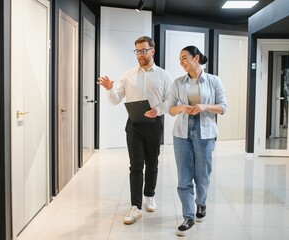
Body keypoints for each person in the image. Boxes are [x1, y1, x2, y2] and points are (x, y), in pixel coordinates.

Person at [97, 36, 172, 225]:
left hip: (154, 124)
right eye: (137, 51)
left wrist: (158, 110)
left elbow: (171, 101)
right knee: (136, 165)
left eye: (144, 50)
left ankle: (150, 195)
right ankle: (136, 207)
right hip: (134, 126)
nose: (140, 54)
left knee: (152, 162)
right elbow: (115, 100)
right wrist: (109, 89)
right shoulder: (128, 75)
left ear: (152, 50)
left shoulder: (164, 75)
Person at [165, 46, 228, 236]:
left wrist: (204, 106)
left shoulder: (214, 81)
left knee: (203, 174)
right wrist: (182, 107)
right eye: (180, 59)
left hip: (205, 133)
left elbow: (224, 107)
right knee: (184, 177)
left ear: (197, 58)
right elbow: (170, 109)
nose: (182, 62)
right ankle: (188, 217)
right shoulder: (177, 82)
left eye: (185, 58)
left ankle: (201, 203)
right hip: (182, 133)